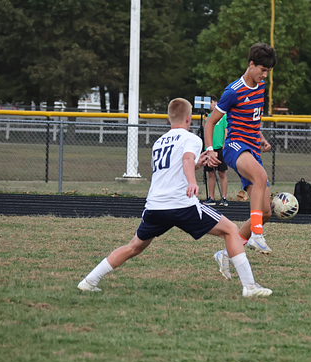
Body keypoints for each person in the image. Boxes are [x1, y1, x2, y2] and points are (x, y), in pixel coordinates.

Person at [77, 98, 272, 297]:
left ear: (169, 118)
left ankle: (89, 281)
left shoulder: (158, 142)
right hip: (181, 204)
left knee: (133, 247)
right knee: (230, 230)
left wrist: (197, 165)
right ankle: (250, 287)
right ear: (188, 118)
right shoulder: (192, 138)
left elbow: (175, 167)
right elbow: (186, 159)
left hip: (155, 206)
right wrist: (192, 181)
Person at [203, 42, 276, 281]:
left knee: (265, 211)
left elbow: (252, 120)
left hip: (252, 147)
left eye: (268, 71)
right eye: (262, 70)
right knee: (261, 176)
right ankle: (256, 235)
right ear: (251, 64)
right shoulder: (233, 91)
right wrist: (210, 150)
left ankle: (225, 254)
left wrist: (261, 138)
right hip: (234, 146)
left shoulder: (261, 86)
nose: (265, 75)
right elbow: (210, 123)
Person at [203, 95, 229, 207]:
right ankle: (211, 197)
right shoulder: (207, 116)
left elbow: (226, 130)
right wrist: (205, 121)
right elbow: (205, 130)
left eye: (210, 102)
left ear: (215, 102)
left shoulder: (223, 116)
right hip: (209, 148)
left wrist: (224, 144)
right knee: (211, 173)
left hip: (220, 147)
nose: (209, 105)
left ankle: (224, 197)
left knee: (222, 172)